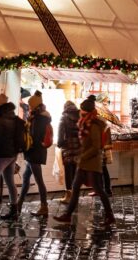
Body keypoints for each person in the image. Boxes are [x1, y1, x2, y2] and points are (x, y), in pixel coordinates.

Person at [54, 96, 115, 228]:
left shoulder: (93, 125)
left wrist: (82, 156)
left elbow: (96, 146)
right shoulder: (85, 123)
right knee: (75, 188)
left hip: (92, 163)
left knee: (100, 190)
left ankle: (110, 216)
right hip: (84, 163)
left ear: (86, 112)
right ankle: (67, 215)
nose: (79, 113)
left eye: (81, 111)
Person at [17, 91, 52, 217]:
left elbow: (35, 138)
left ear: (35, 105)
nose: (29, 107)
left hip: (35, 153)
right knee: (26, 178)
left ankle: (44, 206)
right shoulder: (38, 116)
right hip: (34, 152)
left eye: (31, 105)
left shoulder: (39, 118)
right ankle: (19, 204)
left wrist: (26, 144)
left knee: (39, 180)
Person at [57, 100, 82, 202]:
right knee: (75, 171)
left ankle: (68, 196)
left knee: (68, 172)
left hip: (67, 147)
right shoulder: (80, 117)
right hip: (78, 148)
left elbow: (60, 133)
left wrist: (60, 143)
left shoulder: (64, 118)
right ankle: (75, 195)